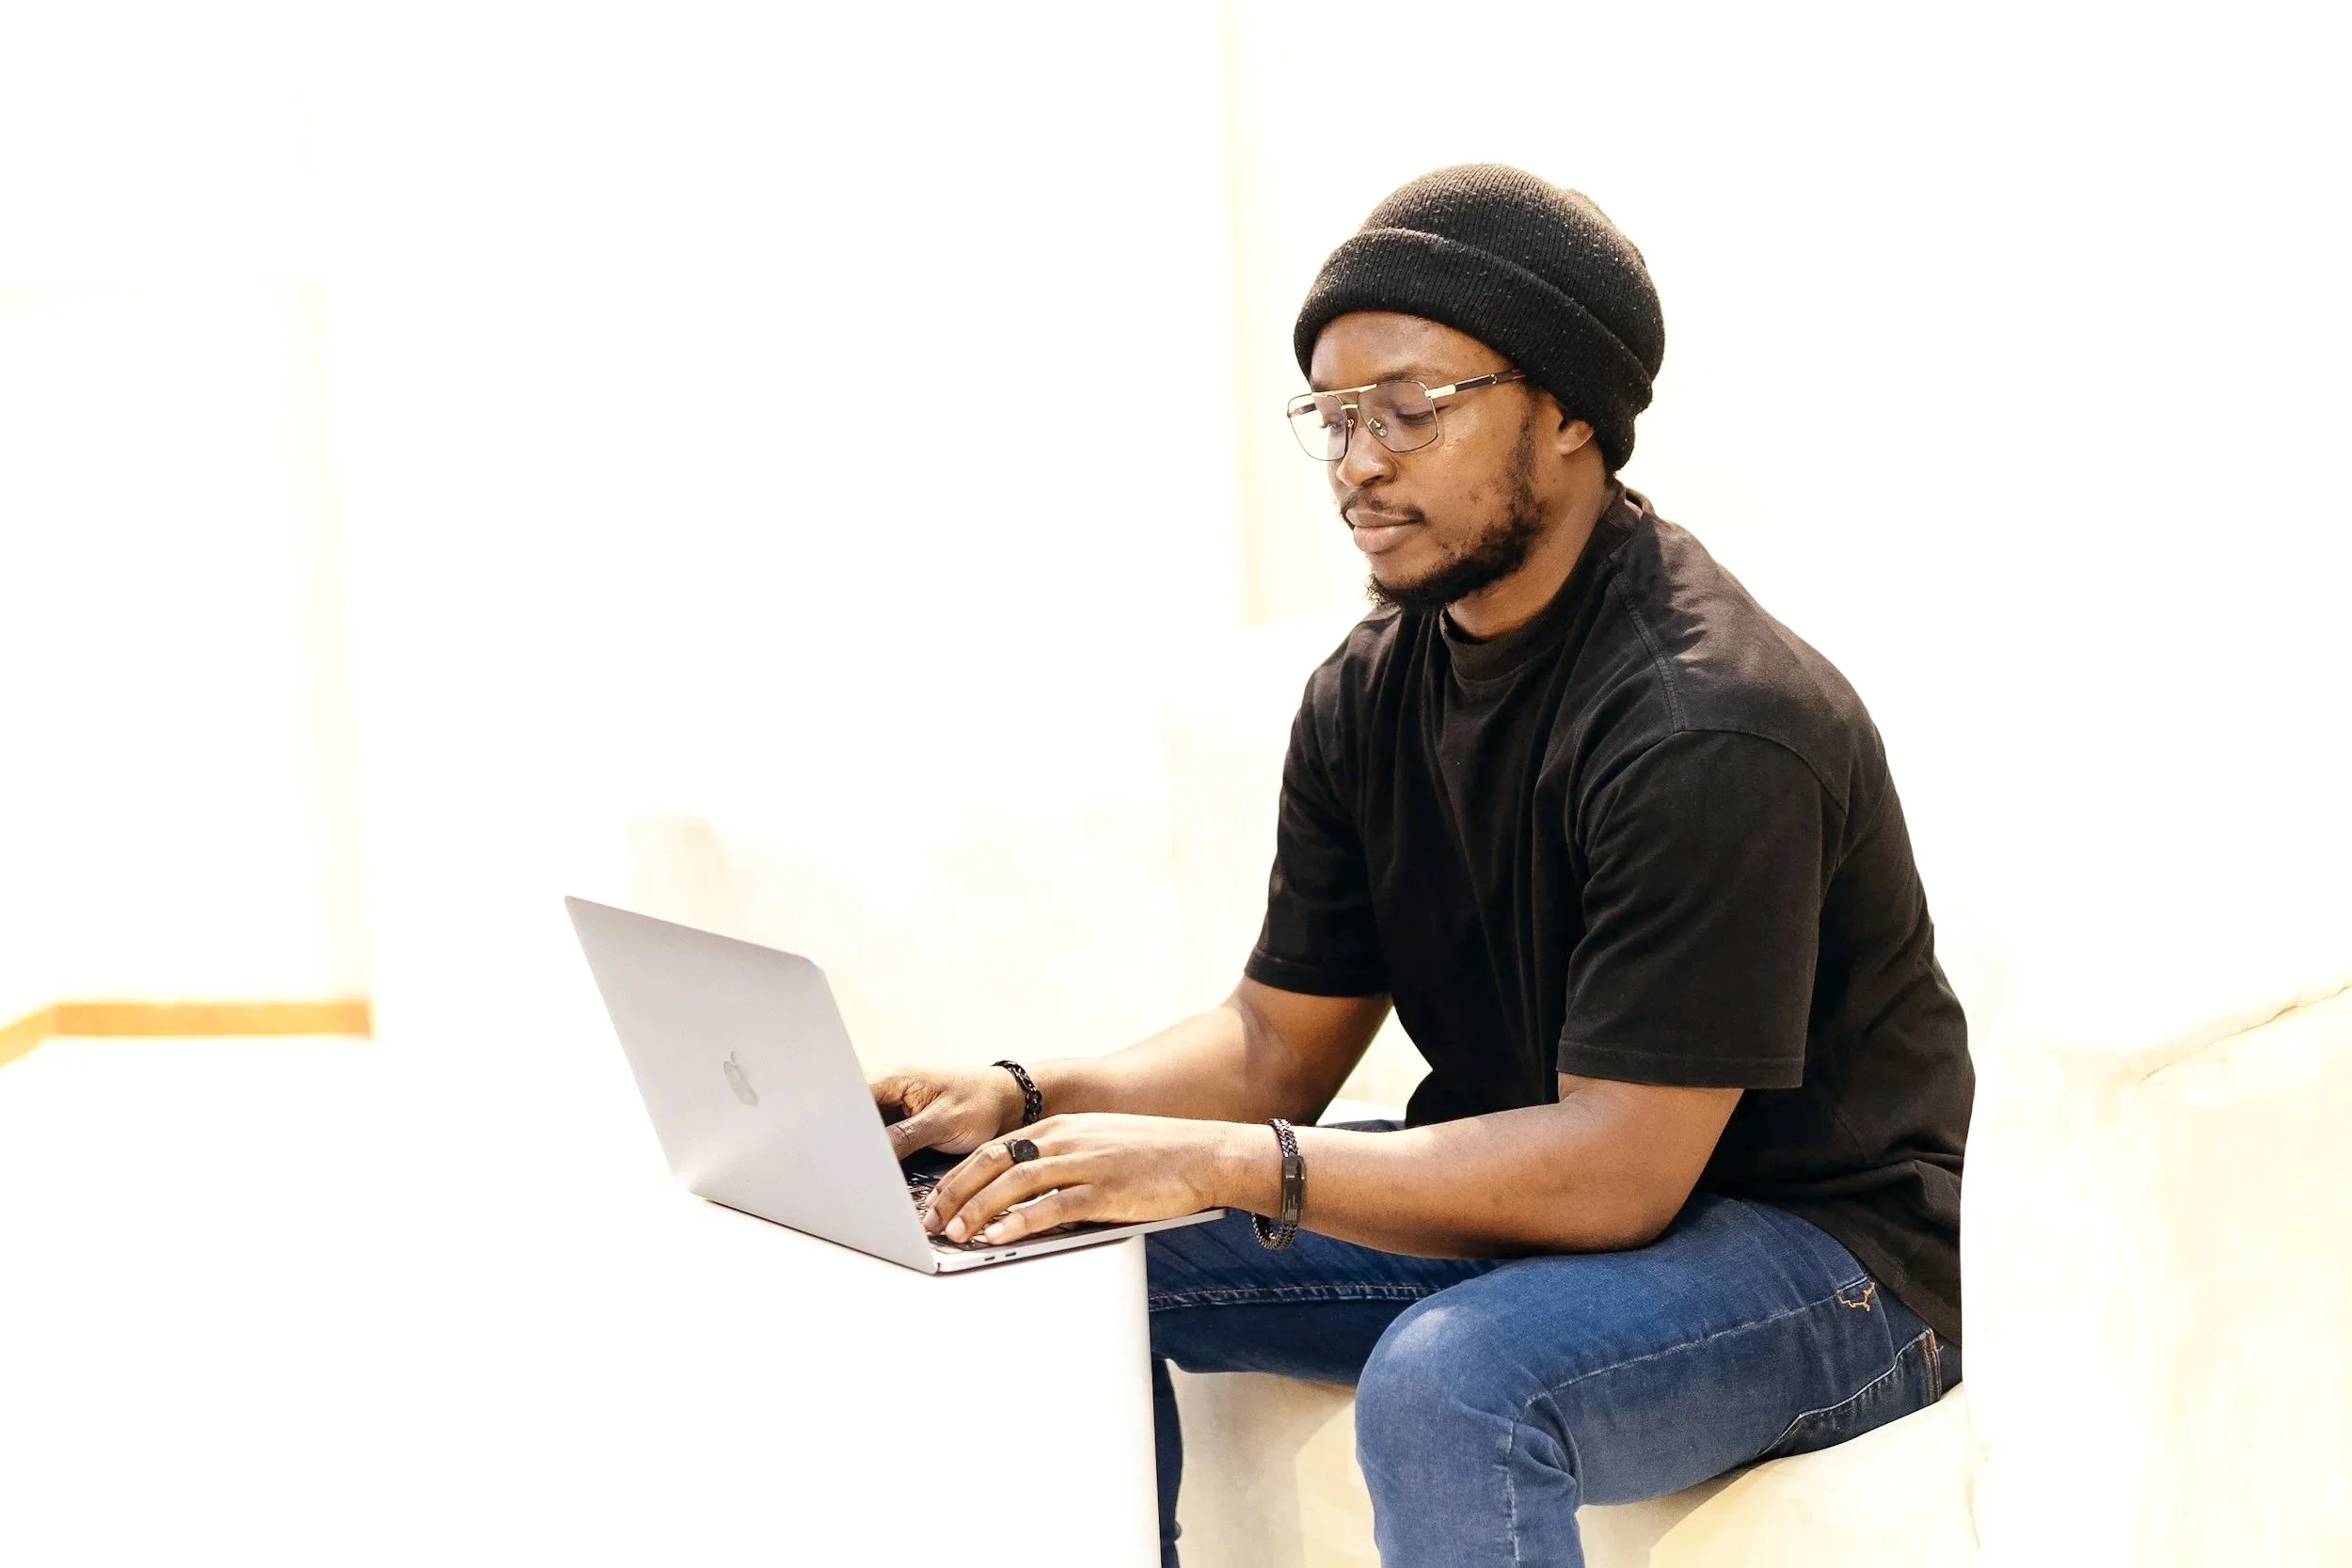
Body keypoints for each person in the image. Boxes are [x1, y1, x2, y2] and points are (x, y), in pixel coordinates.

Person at [869, 164, 1972, 1568]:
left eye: (1407, 410)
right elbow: (1277, 1043)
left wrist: (1220, 1165)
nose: (1357, 462)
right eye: (1332, 418)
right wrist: (1031, 1099)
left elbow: (1620, 1174)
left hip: (1827, 1262)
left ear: (1570, 409)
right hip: (1551, 1203)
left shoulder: (1712, 723)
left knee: (1455, 1377)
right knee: (1046, 1246)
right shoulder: (1372, 689)